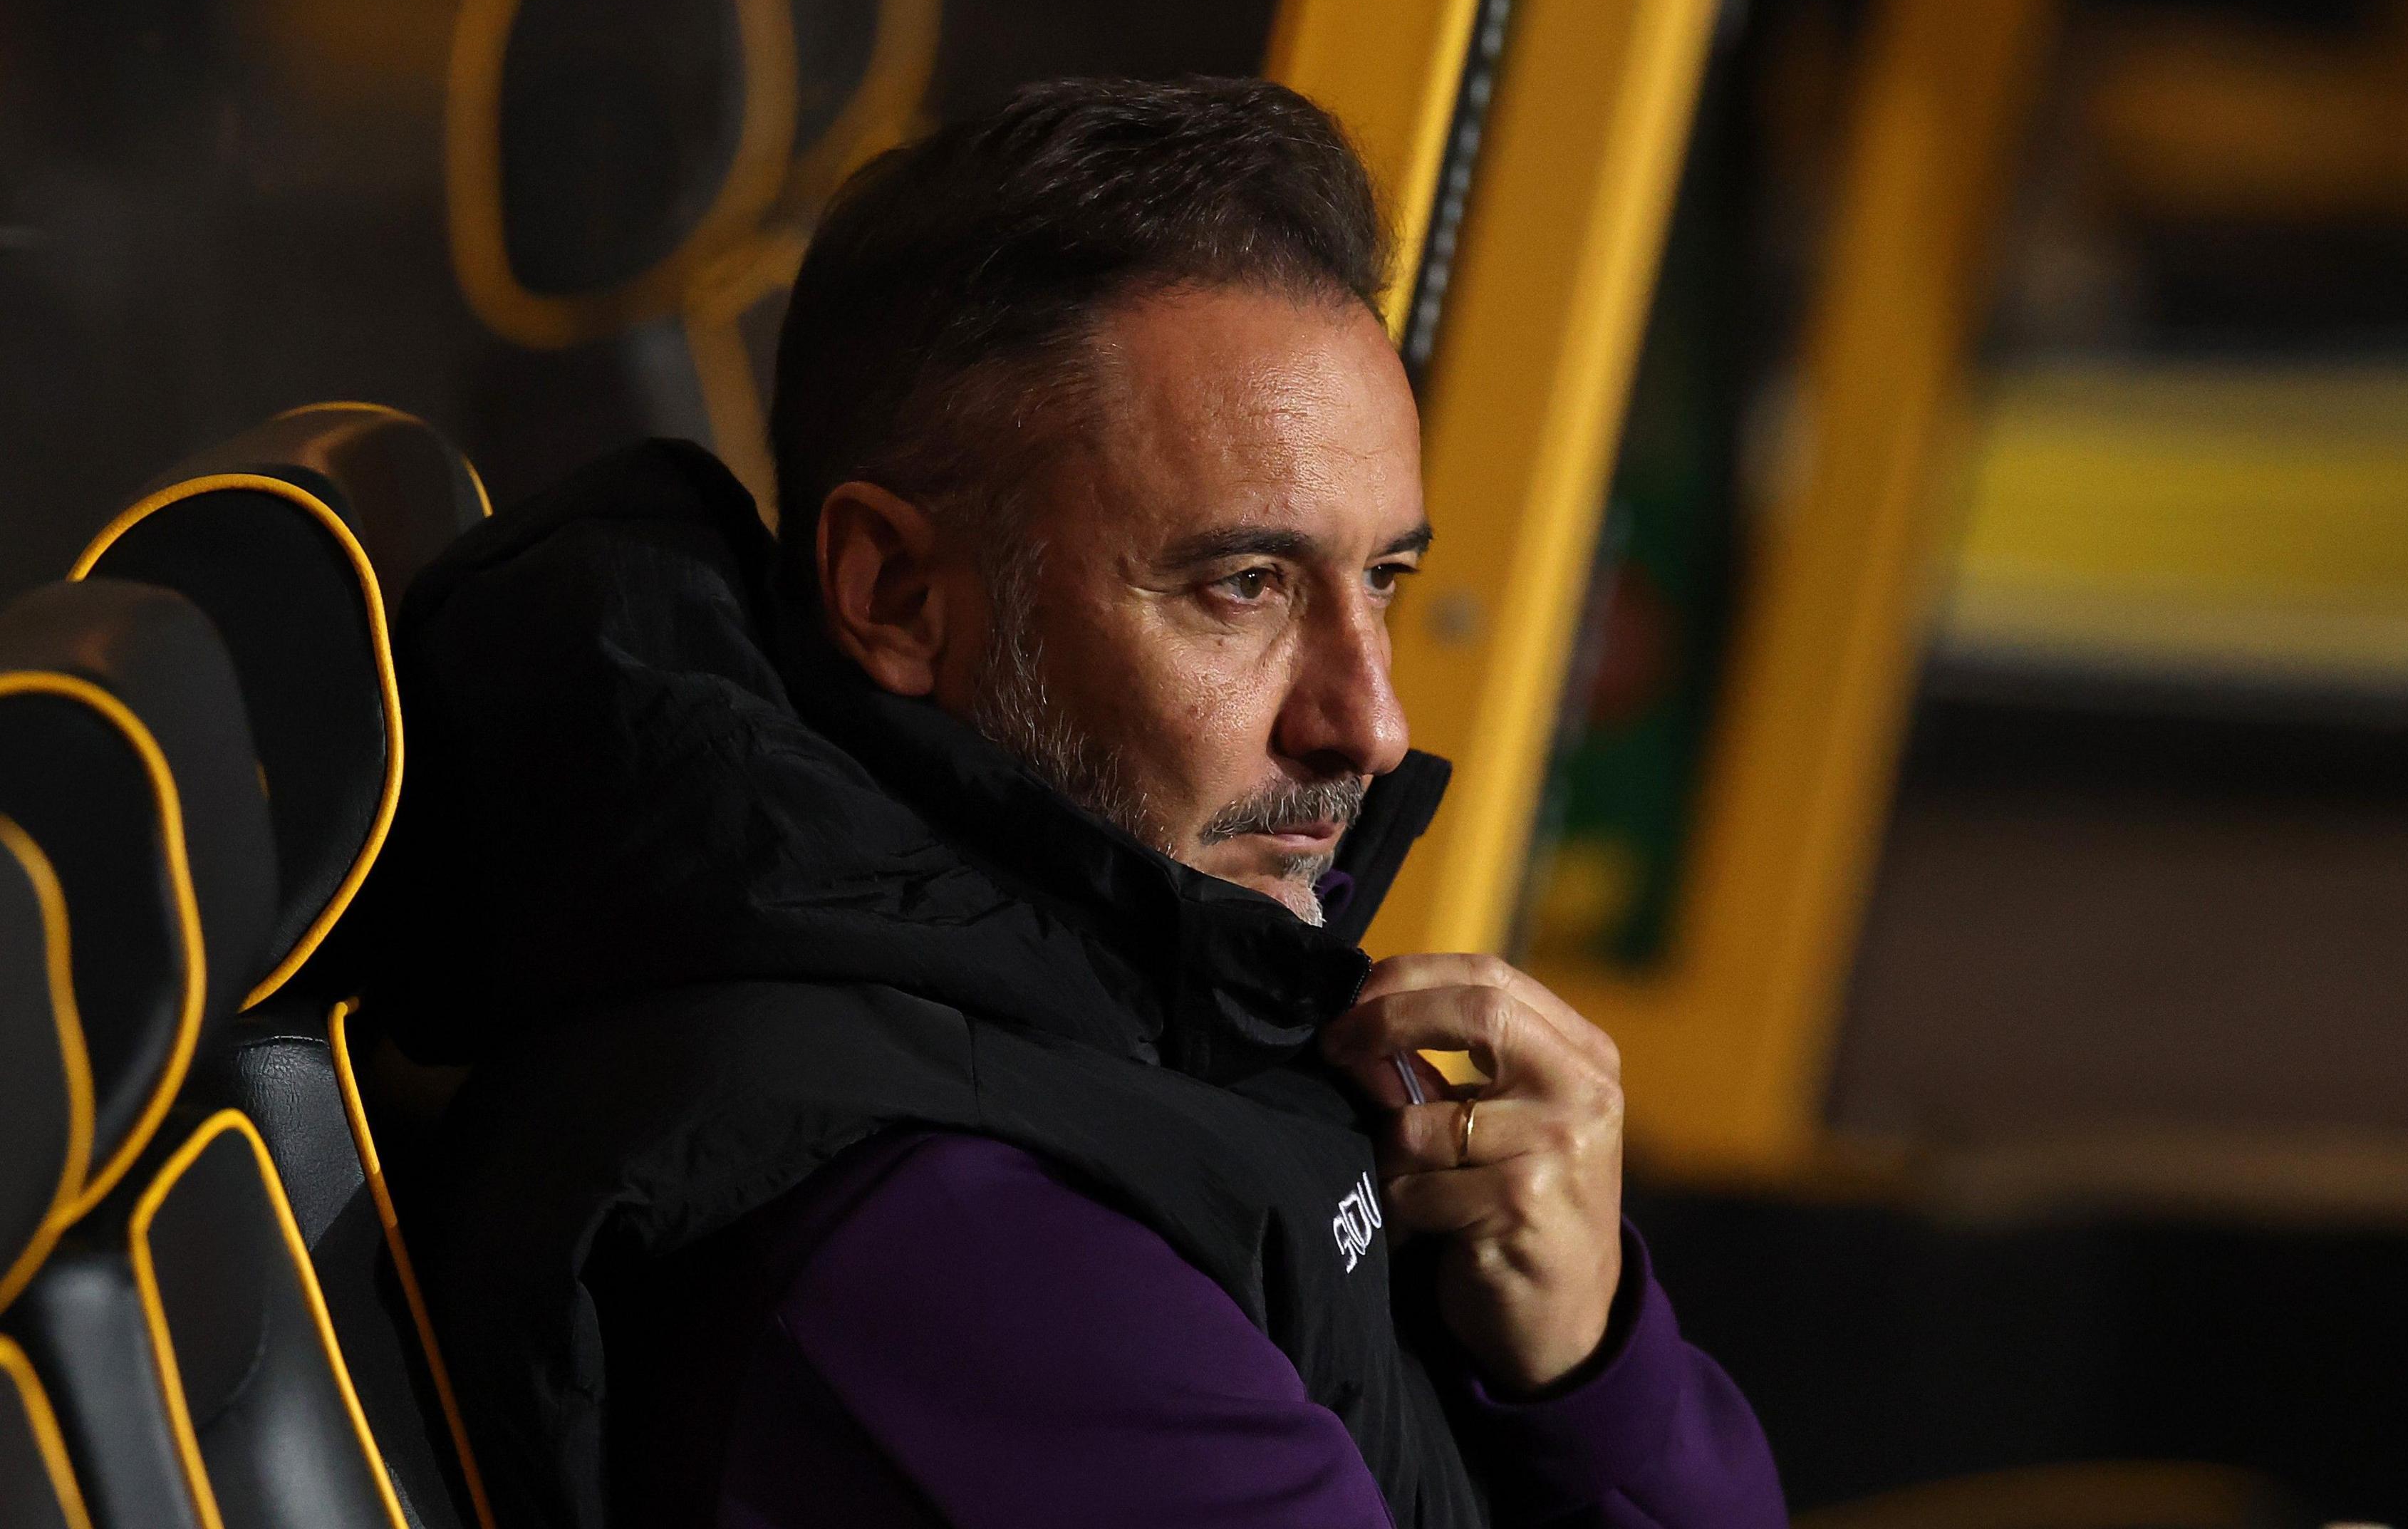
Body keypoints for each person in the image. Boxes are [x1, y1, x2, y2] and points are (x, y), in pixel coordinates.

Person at [377, 77, 1785, 1528]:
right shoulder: (971, 1268)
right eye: (1243, 587)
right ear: (899, 596)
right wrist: (1616, 1430)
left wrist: (1584, 1360)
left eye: (1383, 583)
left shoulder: (1136, 1003)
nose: (1370, 723)